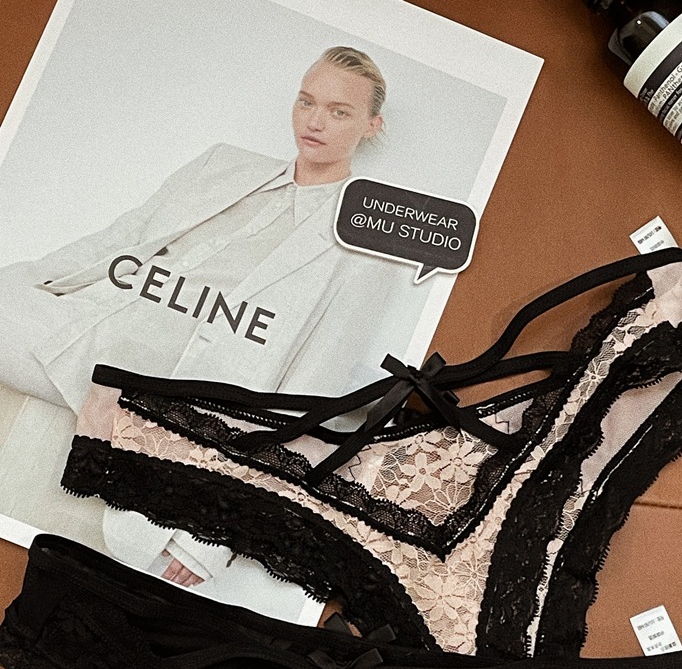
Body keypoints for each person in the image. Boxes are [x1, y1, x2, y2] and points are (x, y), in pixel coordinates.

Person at [0, 47, 430, 598]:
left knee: (141, 537)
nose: (314, 121)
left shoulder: (368, 244)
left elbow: (312, 389)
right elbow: (122, 237)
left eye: (339, 111)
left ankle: (136, 431)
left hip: (177, 381)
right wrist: (36, 280)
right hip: (95, 318)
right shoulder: (224, 164)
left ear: (372, 125)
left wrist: (217, 532)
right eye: (306, 102)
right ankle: (118, 420)